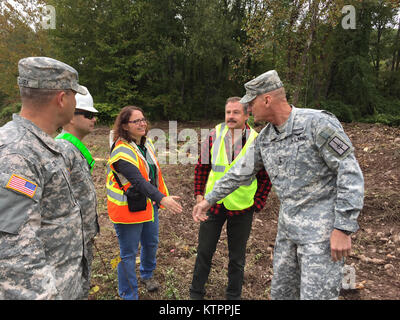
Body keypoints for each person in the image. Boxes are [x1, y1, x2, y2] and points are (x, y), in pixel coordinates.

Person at [193, 70, 364, 300]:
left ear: (267, 99)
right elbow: (238, 173)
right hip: (287, 233)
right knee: (282, 294)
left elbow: (350, 173)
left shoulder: (317, 124)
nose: (249, 110)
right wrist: (209, 200)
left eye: (251, 103)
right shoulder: (266, 138)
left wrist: (343, 228)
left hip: (321, 237)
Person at [0, 57, 87, 299]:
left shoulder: (40, 145)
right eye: (73, 95)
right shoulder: (16, 154)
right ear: (62, 99)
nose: (75, 102)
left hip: (67, 284)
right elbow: (16, 259)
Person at [190, 97, 271, 300]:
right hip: (213, 204)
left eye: (236, 112)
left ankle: (233, 297)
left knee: (237, 258)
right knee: (204, 252)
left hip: (242, 207)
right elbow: (202, 167)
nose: (231, 116)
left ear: (246, 115)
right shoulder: (214, 135)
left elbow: (265, 178)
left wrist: (257, 203)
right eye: (228, 112)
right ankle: (196, 294)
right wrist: (200, 196)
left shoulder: (257, 140)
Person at [106, 105, 183, 300]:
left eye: (143, 119)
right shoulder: (120, 152)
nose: (142, 123)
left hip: (148, 206)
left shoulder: (144, 144)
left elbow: (153, 175)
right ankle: (128, 294)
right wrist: (161, 197)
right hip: (128, 210)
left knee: (151, 243)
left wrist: (158, 200)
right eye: (136, 121)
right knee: (128, 253)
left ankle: (147, 274)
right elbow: (138, 181)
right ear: (124, 126)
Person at [55, 86, 100, 299]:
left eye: (95, 116)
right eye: (89, 114)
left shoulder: (74, 148)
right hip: (70, 244)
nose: (94, 119)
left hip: (82, 238)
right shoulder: (63, 149)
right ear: (71, 117)